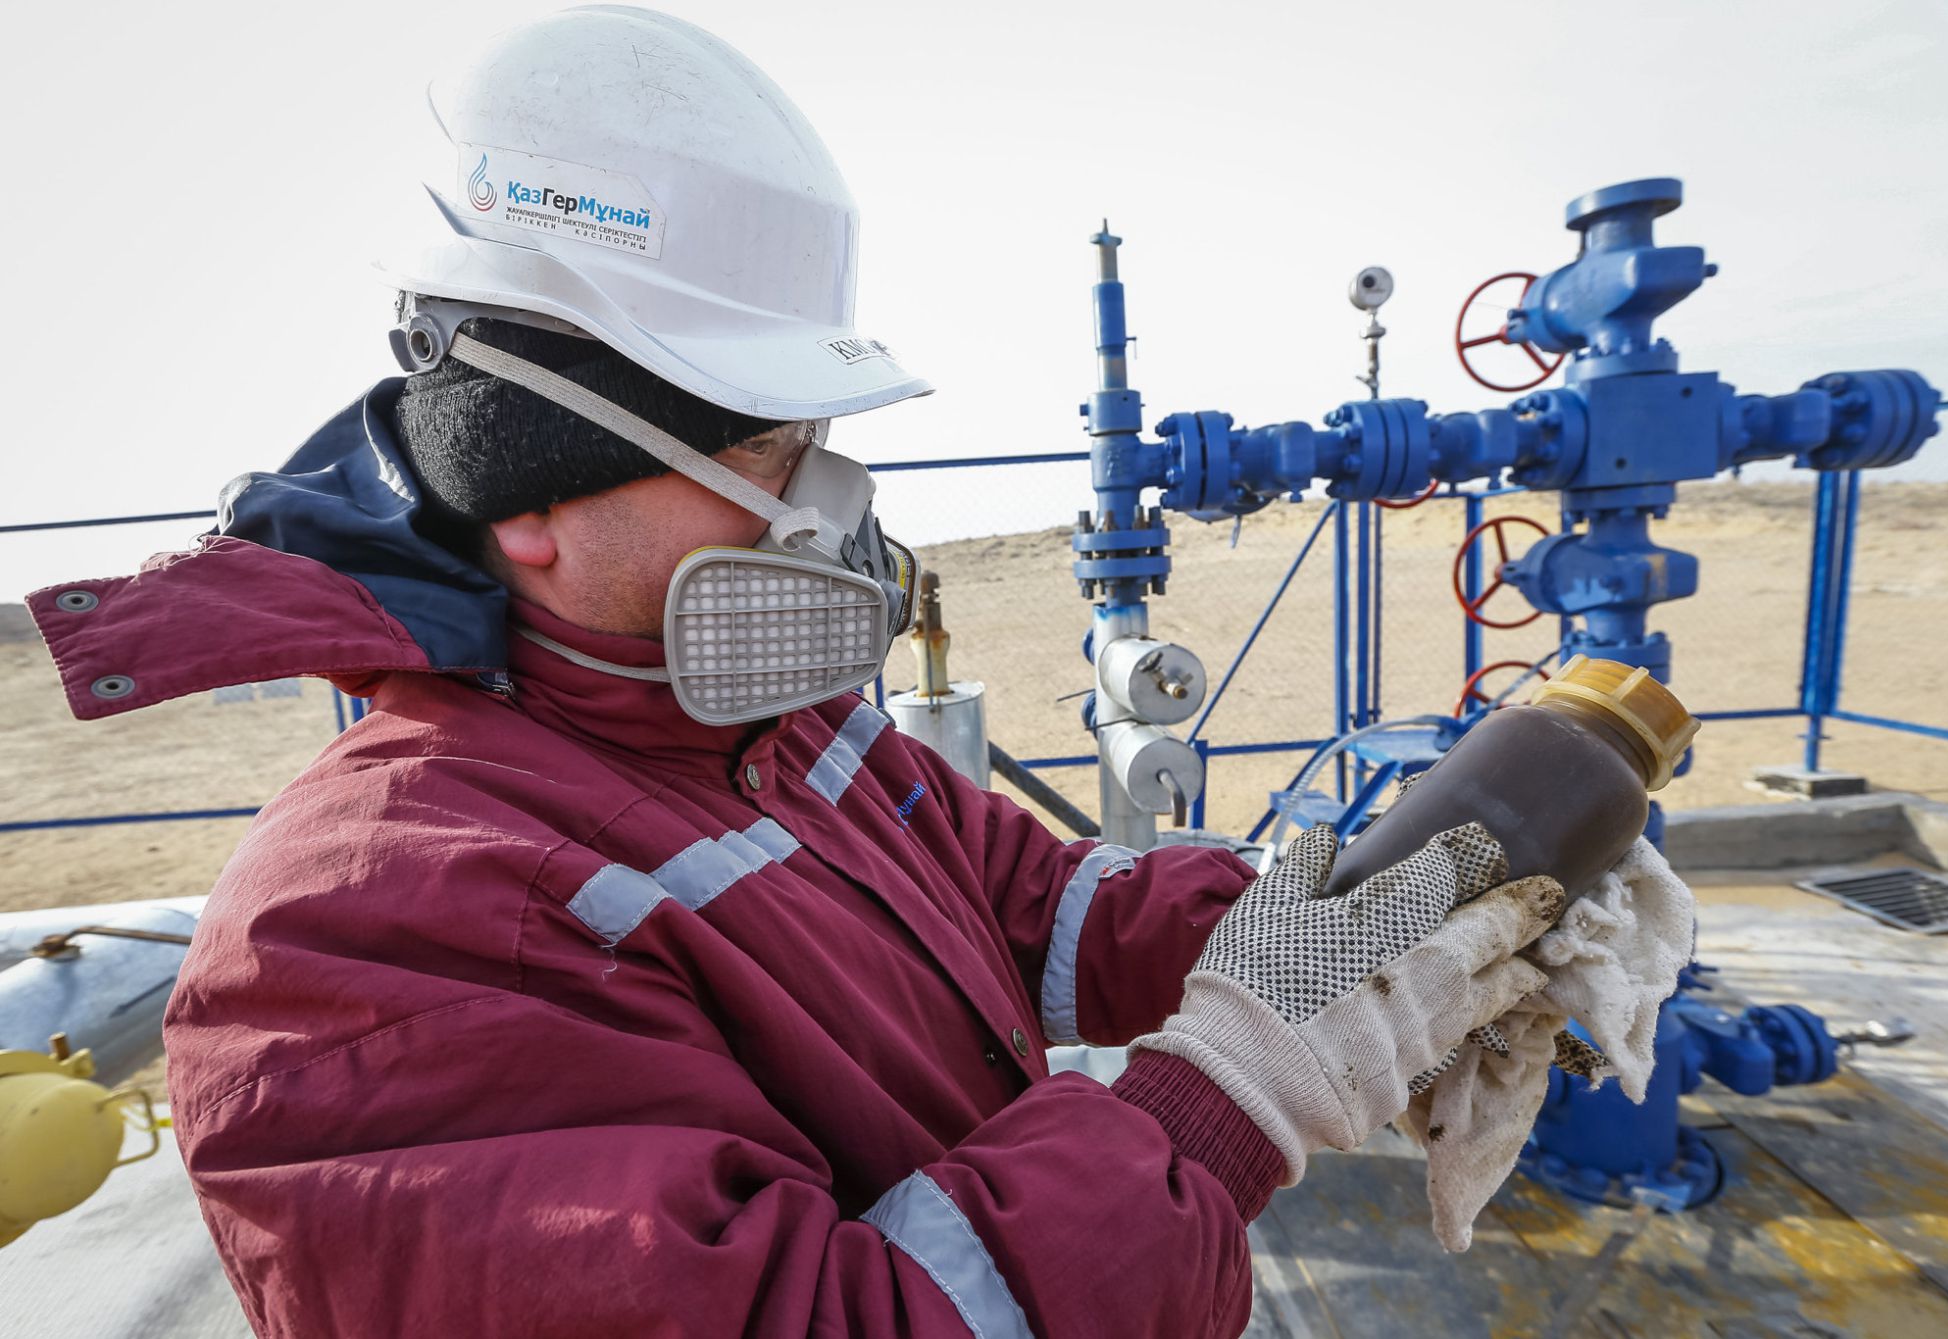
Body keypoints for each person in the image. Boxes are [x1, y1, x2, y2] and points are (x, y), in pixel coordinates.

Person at [30, 9, 1561, 1335]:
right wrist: (1231, 1093)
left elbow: (1026, 904)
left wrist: (1325, 932)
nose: (824, 508)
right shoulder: (368, 943)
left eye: (815, 441)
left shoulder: (766, 726)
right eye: (766, 447)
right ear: (535, 486)